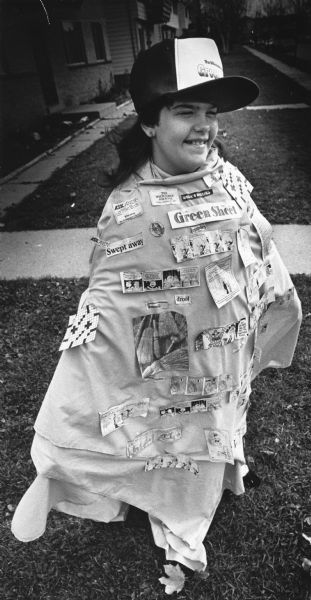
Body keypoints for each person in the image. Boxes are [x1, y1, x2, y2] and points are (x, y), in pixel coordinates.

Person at [12, 38, 301, 587]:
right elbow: (110, 296)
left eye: (211, 112)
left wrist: (273, 297)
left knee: (218, 412)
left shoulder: (228, 179)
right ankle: (169, 504)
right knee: (166, 414)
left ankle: (219, 473)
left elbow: (259, 248)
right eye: (185, 110)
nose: (204, 127)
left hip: (225, 348)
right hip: (167, 352)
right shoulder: (129, 207)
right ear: (149, 121)